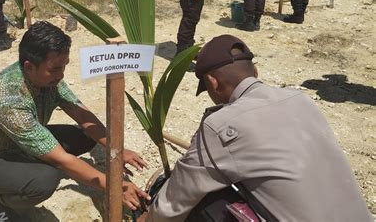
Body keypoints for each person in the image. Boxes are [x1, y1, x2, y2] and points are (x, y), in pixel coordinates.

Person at [144, 34, 372, 221]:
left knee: (205, 200)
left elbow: (175, 201)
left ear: (212, 82)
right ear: (255, 72)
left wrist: (148, 217)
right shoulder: (300, 100)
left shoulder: (221, 125)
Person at [0, 21, 150, 221]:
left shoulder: (47, 78)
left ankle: (25, 168)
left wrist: (116, 148)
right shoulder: (7, 99)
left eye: (64, 66)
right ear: (29, 66)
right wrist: (115, 186)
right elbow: (61, 159)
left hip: (15, 142)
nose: (61, 75)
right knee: (45, 180)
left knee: (84, 135)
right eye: (55, 69)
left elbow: (81, 114)